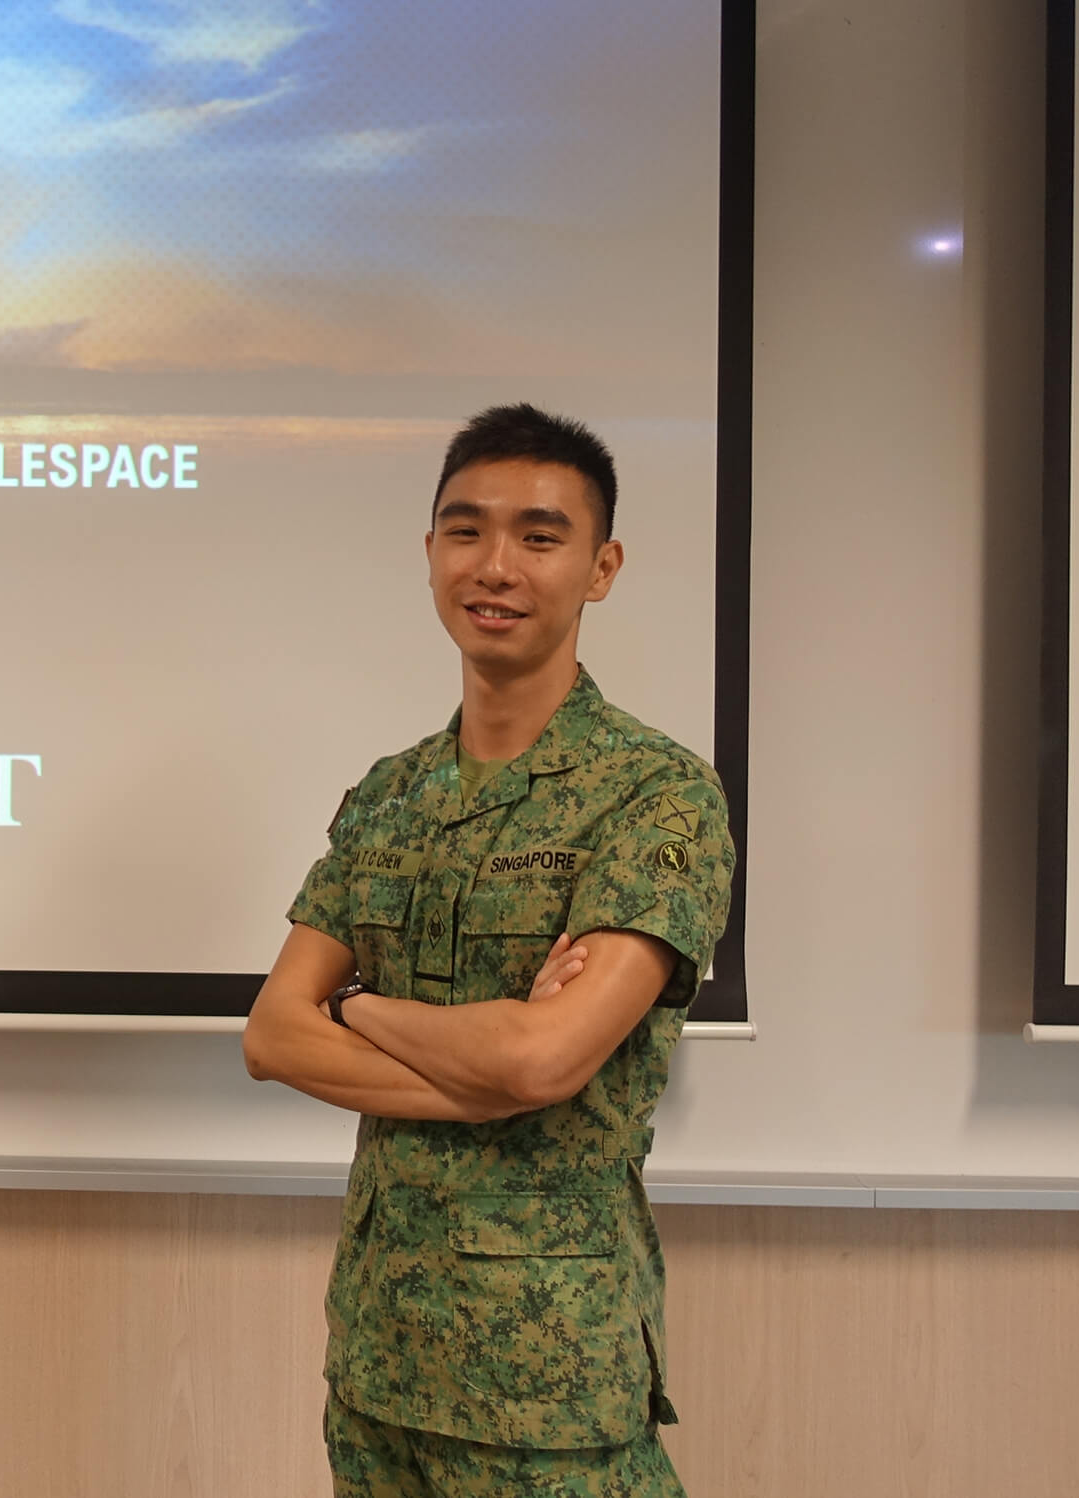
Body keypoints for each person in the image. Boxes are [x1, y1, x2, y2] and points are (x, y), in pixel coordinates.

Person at [243, 403, 737, 1498]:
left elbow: (541, 1065)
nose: (494, 565)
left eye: (539, 536)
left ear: (599, 568)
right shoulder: (388, 794)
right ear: (428, 553)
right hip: (378, 1362)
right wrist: (478, 1067)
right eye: (463, 531)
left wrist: (361, 1007)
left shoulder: (655, 795)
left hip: (546, 1382)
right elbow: (273, 1036)